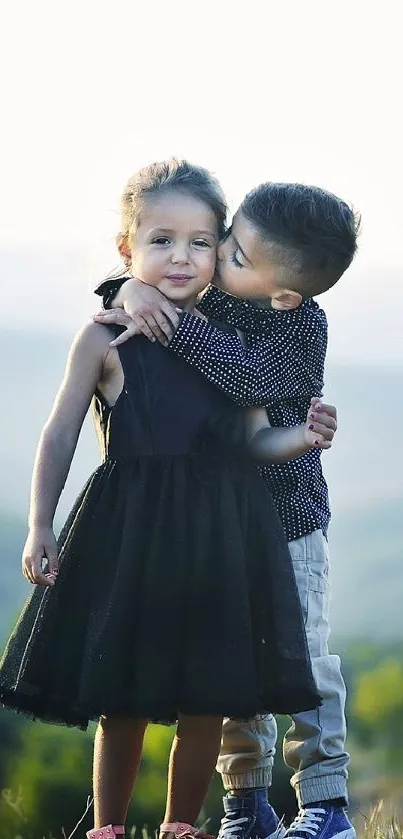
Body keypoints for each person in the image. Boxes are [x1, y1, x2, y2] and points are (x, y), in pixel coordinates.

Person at [0, 160, 337, 839]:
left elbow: (252, 441)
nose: (180, 256)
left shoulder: (230, 341)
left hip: (219, 544)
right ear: (127, 249)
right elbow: (61, 428)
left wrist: (300, 437)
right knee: (119, 692)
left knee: (207, 696)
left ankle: (183, 825)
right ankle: (110, 827)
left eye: (199, 241)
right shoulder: (106, 332)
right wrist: (41, 522)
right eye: (160, 240)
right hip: (132, 538)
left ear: (220, 250)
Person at [94, 179, 360, 839]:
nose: (211, 260)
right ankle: (246, 802)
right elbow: (160, 272)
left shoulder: (298, 327)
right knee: (232, 664)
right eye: (225, 240)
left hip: (288, 522)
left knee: (300, 657)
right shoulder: (221, 293)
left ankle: (324, 806)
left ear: (284, 291)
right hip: (219, 525)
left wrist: (165, 312)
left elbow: (237, 376)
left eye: (231, 253)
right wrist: (124, 288)